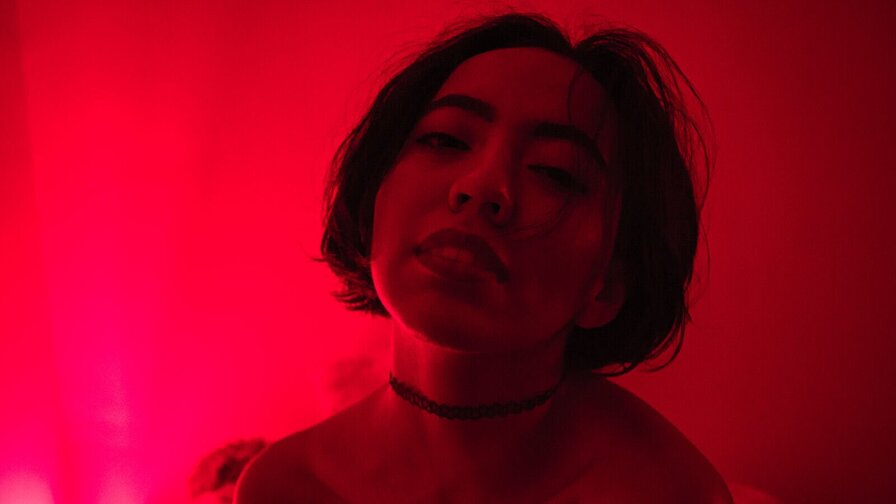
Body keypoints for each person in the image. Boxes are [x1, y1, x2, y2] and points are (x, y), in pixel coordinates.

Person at [236, 12, 731, 503]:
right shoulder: (284, 488)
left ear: (608, 284)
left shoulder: (669, 494)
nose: (481, 186)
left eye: (554, 172)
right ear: (371, 209)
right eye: (445, 140)